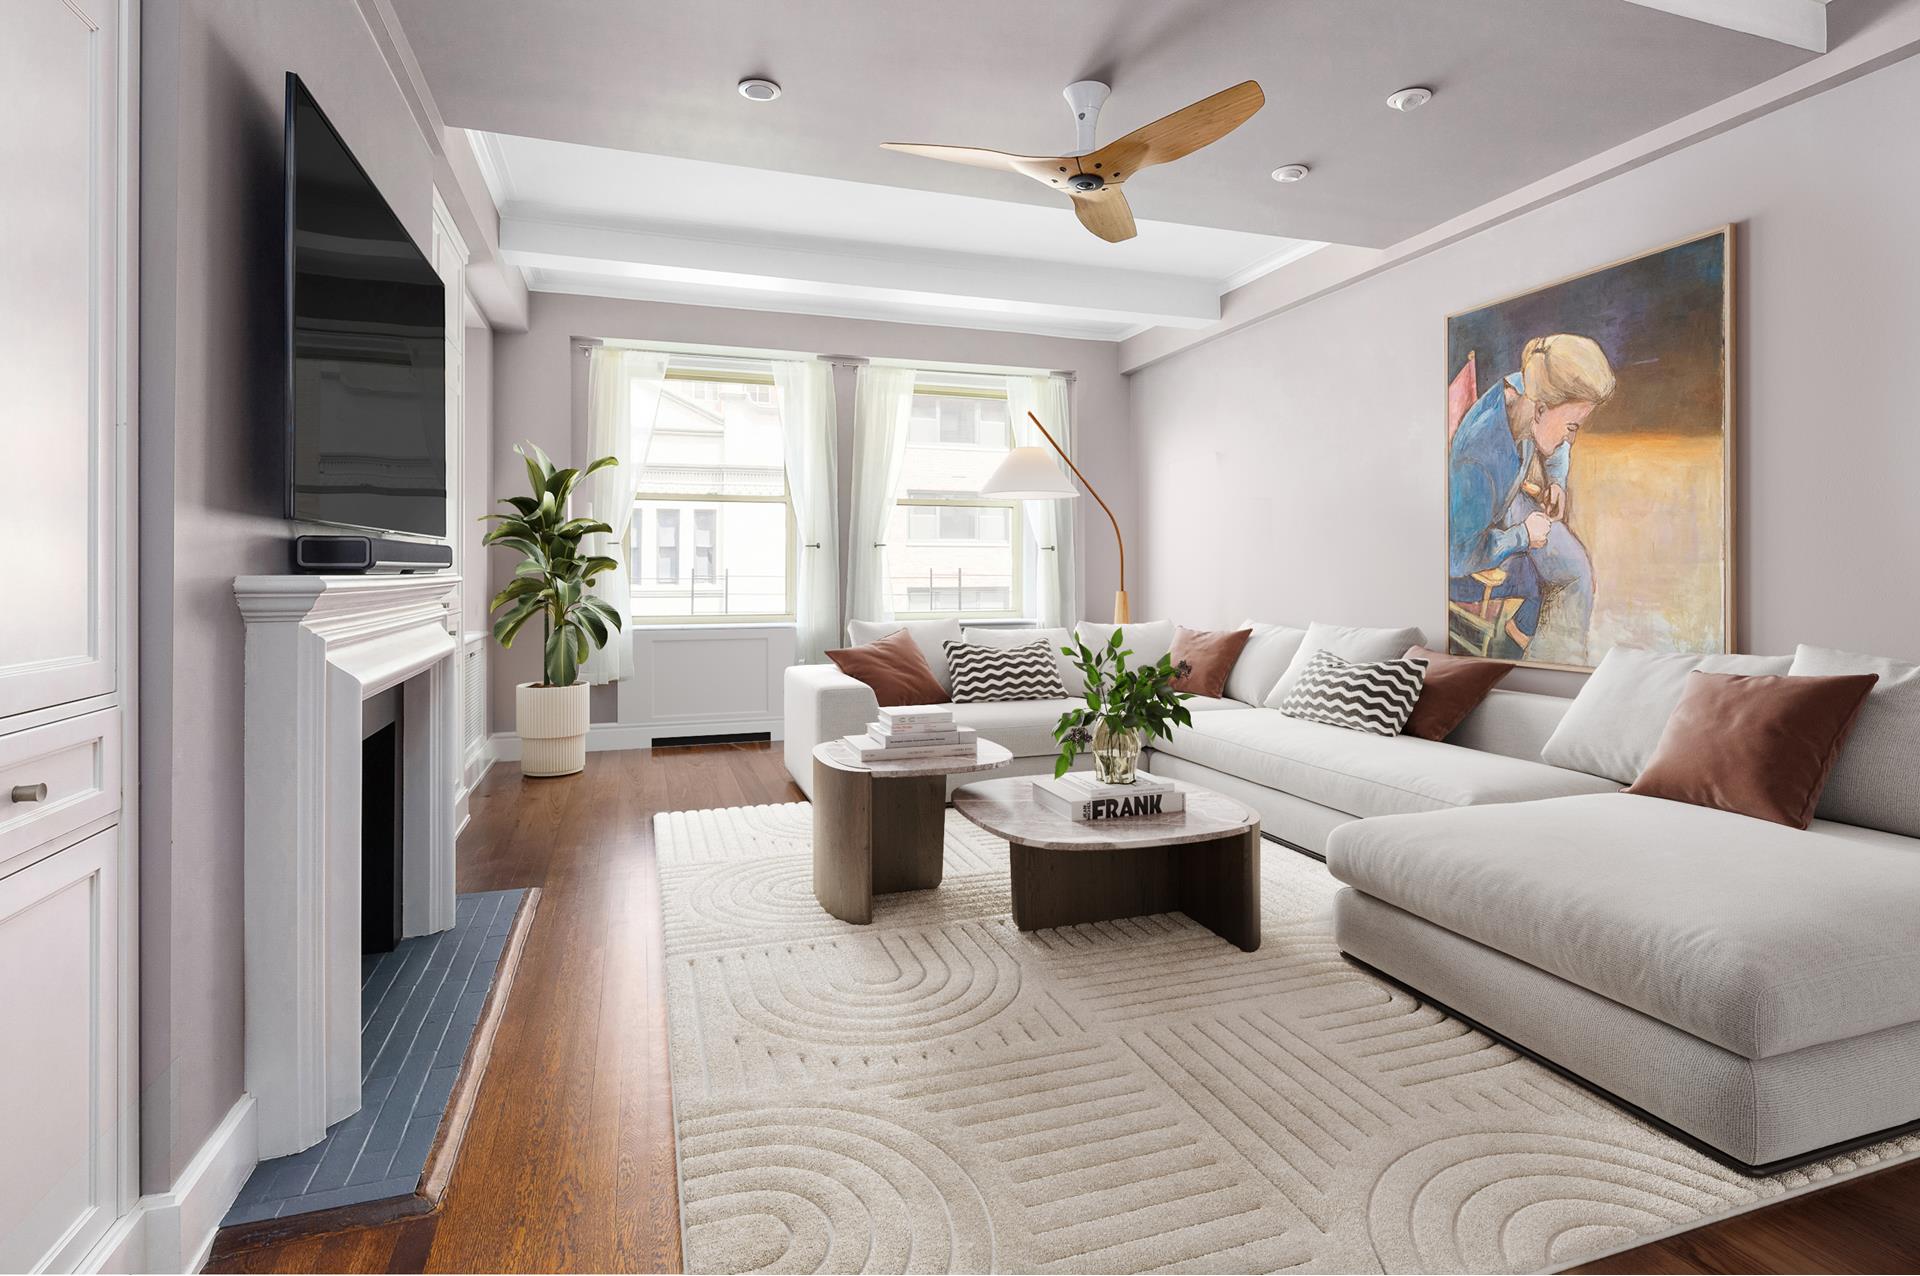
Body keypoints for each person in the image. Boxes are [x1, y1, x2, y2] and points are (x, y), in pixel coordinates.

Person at [1447, 333, 1616, 661]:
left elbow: (1557, 442)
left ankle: (1527, 636)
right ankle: (1554, 661)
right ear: (1539, 411)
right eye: (1572, 426)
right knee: (1564, 578)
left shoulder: (1529, 382)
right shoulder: (1477, 462)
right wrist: (1522, 536)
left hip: (1505, 505)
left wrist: (1556, 479)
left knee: (1576, 569)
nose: (1571, 438)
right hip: (1474, 549)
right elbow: (1456, 558)